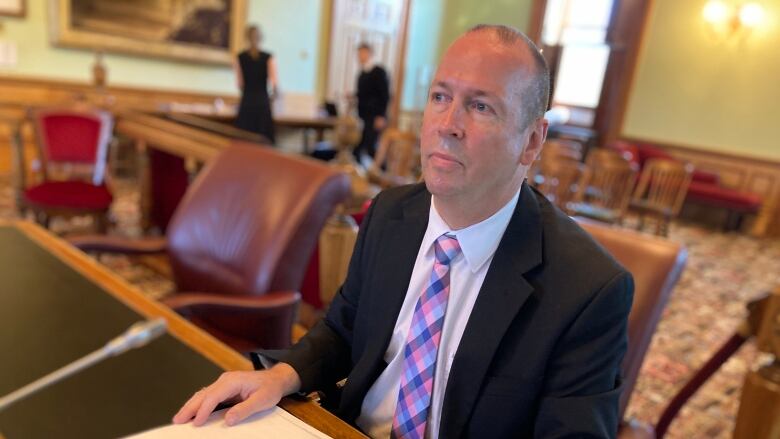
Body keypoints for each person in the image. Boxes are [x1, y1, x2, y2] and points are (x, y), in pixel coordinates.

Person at [174, 24, 633, 438]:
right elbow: (344, 328)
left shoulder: (589, 290)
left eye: (480, 106)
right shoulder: (391, 214)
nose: (447, 125)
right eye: (440, 97)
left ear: (532, 140)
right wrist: (283, 375)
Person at [234, 25, 278, 144]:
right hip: (262, 103)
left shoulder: (240, 57)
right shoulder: (268, 58)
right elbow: (274, 84)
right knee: (263, 142)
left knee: (244, 142)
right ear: (261, 37)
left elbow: (240, 84)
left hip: (247, 102)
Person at [354, 43, 390, 161]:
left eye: (363, 53)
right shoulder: (362, 73)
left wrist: (381, 116)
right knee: (358, 147)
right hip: (363, 116)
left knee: (370, 147)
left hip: (375, 116)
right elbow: (363, 94)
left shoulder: (379, 71)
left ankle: (382, 170)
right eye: (359, 53)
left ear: (370, 53)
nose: (360, 56)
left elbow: (384, 95)